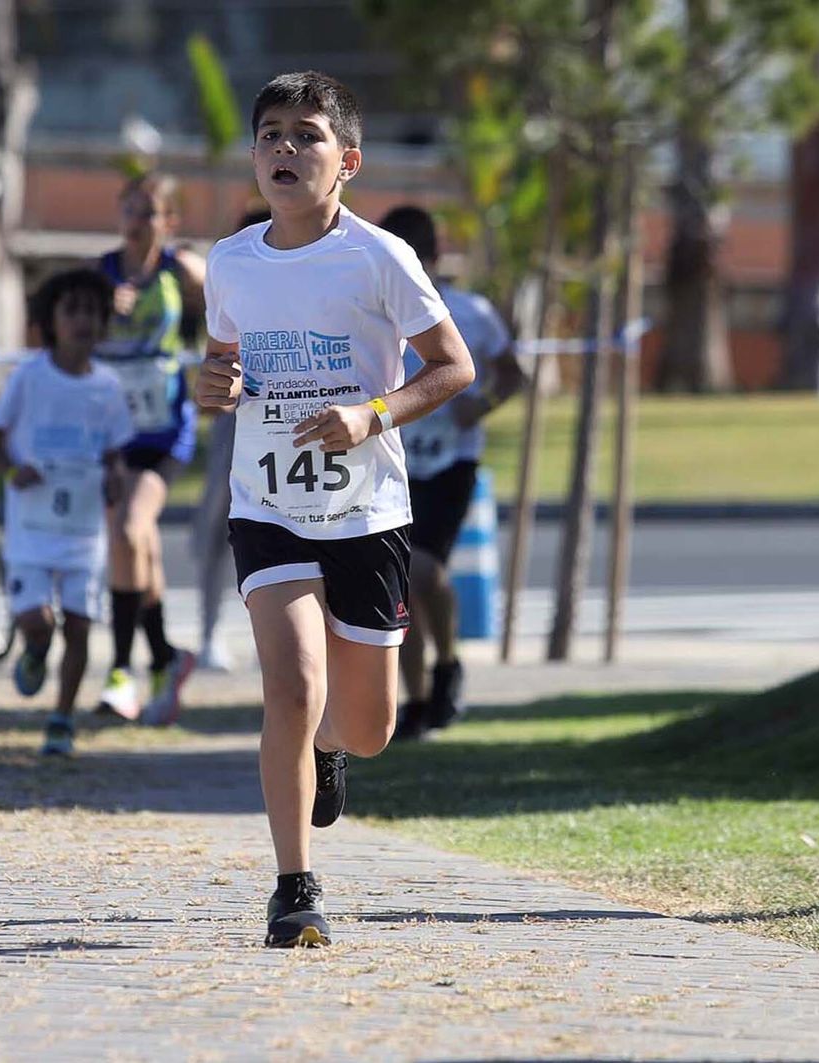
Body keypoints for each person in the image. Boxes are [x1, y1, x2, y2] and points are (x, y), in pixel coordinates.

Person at [196, 71, 474, 946]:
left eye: (306, 135)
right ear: (253, 156)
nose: (286, 148)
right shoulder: (231, 260)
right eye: (271, 134)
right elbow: (219, 365)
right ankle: (294, 887)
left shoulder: (380, 257)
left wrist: (372, 413)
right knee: (291, 682)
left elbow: (452, 366)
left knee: (369, 724)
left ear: (346, 160)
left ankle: (331, 748)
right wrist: (212, 383)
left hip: (366, 509)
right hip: (267, 502)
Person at [379, 206, 523, 739]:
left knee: (422, 572)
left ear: (435, 258)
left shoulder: (469, 311)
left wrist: (478, 404)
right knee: (398, 584)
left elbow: (512, 372)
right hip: (391, 460)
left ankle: (448, 662)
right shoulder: (372, 309)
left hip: (449, 461)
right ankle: (416, 700)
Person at [0, 268, 134, 756]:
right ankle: (35, 648)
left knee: (81, 624)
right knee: (38, 620)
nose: (83, 321)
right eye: (73, 310)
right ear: (51, 320)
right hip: (31, 525)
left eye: (92, 311)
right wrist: (11, 471)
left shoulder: (108, 386)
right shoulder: (29, 375)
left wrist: (114, 477)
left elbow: (116, 452)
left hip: (83, 528)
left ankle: (62, 716)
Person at [94, 173, 206, 724]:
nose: (138, 220)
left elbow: (217, 292)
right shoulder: (101, 273)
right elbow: (69, 333)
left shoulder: (176, 270)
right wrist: (101, 311)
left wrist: (193, 274)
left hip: (164, 429)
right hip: (113, 430)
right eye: (130, 209)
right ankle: (165, 657)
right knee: (141, 550)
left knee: (129, 532)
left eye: (150, 211)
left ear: (169, 221)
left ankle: (120, 668)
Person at [191, 205, 272, 673]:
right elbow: (215, 377)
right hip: (237, 429)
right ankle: (208, 632)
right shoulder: (231, 286)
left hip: (296, 430)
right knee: (218, 527)